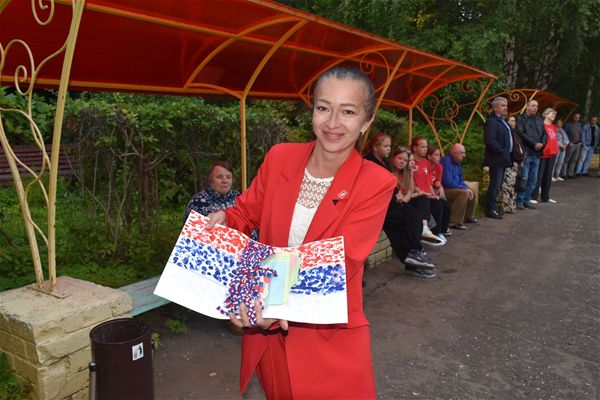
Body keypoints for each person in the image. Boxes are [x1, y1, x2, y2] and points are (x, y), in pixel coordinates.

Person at [206, 66, 396, 399]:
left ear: (366, 121)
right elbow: (246, 212)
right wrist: (225, 219)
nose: (332, 123)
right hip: (269, 337)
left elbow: (340, 260)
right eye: (323, 108)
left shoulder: (376, 182)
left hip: (328, 338)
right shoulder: (280, 157)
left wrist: (261, 295)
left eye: (348, 112)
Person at [384, 146, 436, 279]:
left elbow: (408, 193)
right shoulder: (388, 172)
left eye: (405, 160)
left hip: (398, 205)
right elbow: (404, 197)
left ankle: (414, 257)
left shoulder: (404, 174)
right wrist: (405, 196)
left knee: (415, 217)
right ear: (393, 157)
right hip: (388, 208)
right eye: (400, 158)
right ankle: (414, 253)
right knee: (411, 220)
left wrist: (411, 174)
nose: (402, 162)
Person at [411, 136, 447, 245]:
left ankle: (439, 232)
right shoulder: (411, 162)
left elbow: (429, 183)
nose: (425, 149)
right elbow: (412, 183)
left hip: (426, 193)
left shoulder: (425, 162)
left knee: (442, 203)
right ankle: (430, 232)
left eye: (426, 147)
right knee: (435, 204)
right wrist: (425, 194)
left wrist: (433, 194)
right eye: (422, 147)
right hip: (417, 194)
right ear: (414, 148)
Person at [483, 96, 512, 218]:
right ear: (495, 107)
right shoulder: (492, 121)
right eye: (503, 105)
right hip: (496, 159)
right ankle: (490, 209)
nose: (506, 108)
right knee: (494, 184)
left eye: (506, 105)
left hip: (503, 158)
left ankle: (494, 207)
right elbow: (489, 140)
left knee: (498, 185)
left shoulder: (502, 120)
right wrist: (501, 151)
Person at [515, 100, 546, 210]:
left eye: (537, 106)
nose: (535, 108)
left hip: (537, 153)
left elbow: (545, 133)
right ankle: (519, 200)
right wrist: (534, 144)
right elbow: (520, 133)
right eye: (533, 105)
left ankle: (526, 200)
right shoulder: (521, 119)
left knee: (533, 179)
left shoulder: (539, 119)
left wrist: (542, 144)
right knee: (524, 178)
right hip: (526, 152)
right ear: (527, 106)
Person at [440, 143, 478, 228]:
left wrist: (466, 187)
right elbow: (447, 182)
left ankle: (467, 217)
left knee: (472, 191)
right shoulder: (446, 162)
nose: (464, 155)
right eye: (462, 153)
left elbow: (461, 179)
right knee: (463, 193)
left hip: (455, 187)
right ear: (454, 153)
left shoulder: (457, 162)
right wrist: (463, 188)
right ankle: (454, 221)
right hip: (446, 189)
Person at [498, 115, 525, 214]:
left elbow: (520, 147)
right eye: (511, 121)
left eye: (514, 121)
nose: (514, 123)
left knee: (513, 185)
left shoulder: (515, 133)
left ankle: (511, 205)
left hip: (517, 162)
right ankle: (506, 206)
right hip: (510, 162)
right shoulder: (507, 133)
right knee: (507, 185)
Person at [532, 108, 559, 203]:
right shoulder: (541, 125)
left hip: (552, 153)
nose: (553, 116)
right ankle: (533, 197)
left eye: (554, 114)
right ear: (546, 114)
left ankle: (545, 197)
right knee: (539, 176)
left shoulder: (553, 126)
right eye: (552, 114)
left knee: (548, 176)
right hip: (543, 154)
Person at [426, 145, 451, 236]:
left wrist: (440, 188)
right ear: (429, 156)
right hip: (426, 190)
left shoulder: (439, 167)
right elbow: (427, 184)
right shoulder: (425, 166)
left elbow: (437, 183)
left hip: (434, 189)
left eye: (439, 155)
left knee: (446, 204)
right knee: (438, 204)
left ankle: (444, 229)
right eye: (436, 155)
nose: (439, 157)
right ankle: (435, 230)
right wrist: (434, 195)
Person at [562, 113, 583, 178]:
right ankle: (564, 174)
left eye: (578, 117)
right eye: (575, 117)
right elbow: (564, 134)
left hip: (578, 144)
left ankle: (570, 174)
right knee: (566, 159)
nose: (577, 119)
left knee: (574, 160)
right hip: (571, 144)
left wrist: (580, 142)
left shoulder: (579, 124)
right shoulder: (567, 124)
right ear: (572, 117)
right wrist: (568, 143)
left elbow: (580, 134)